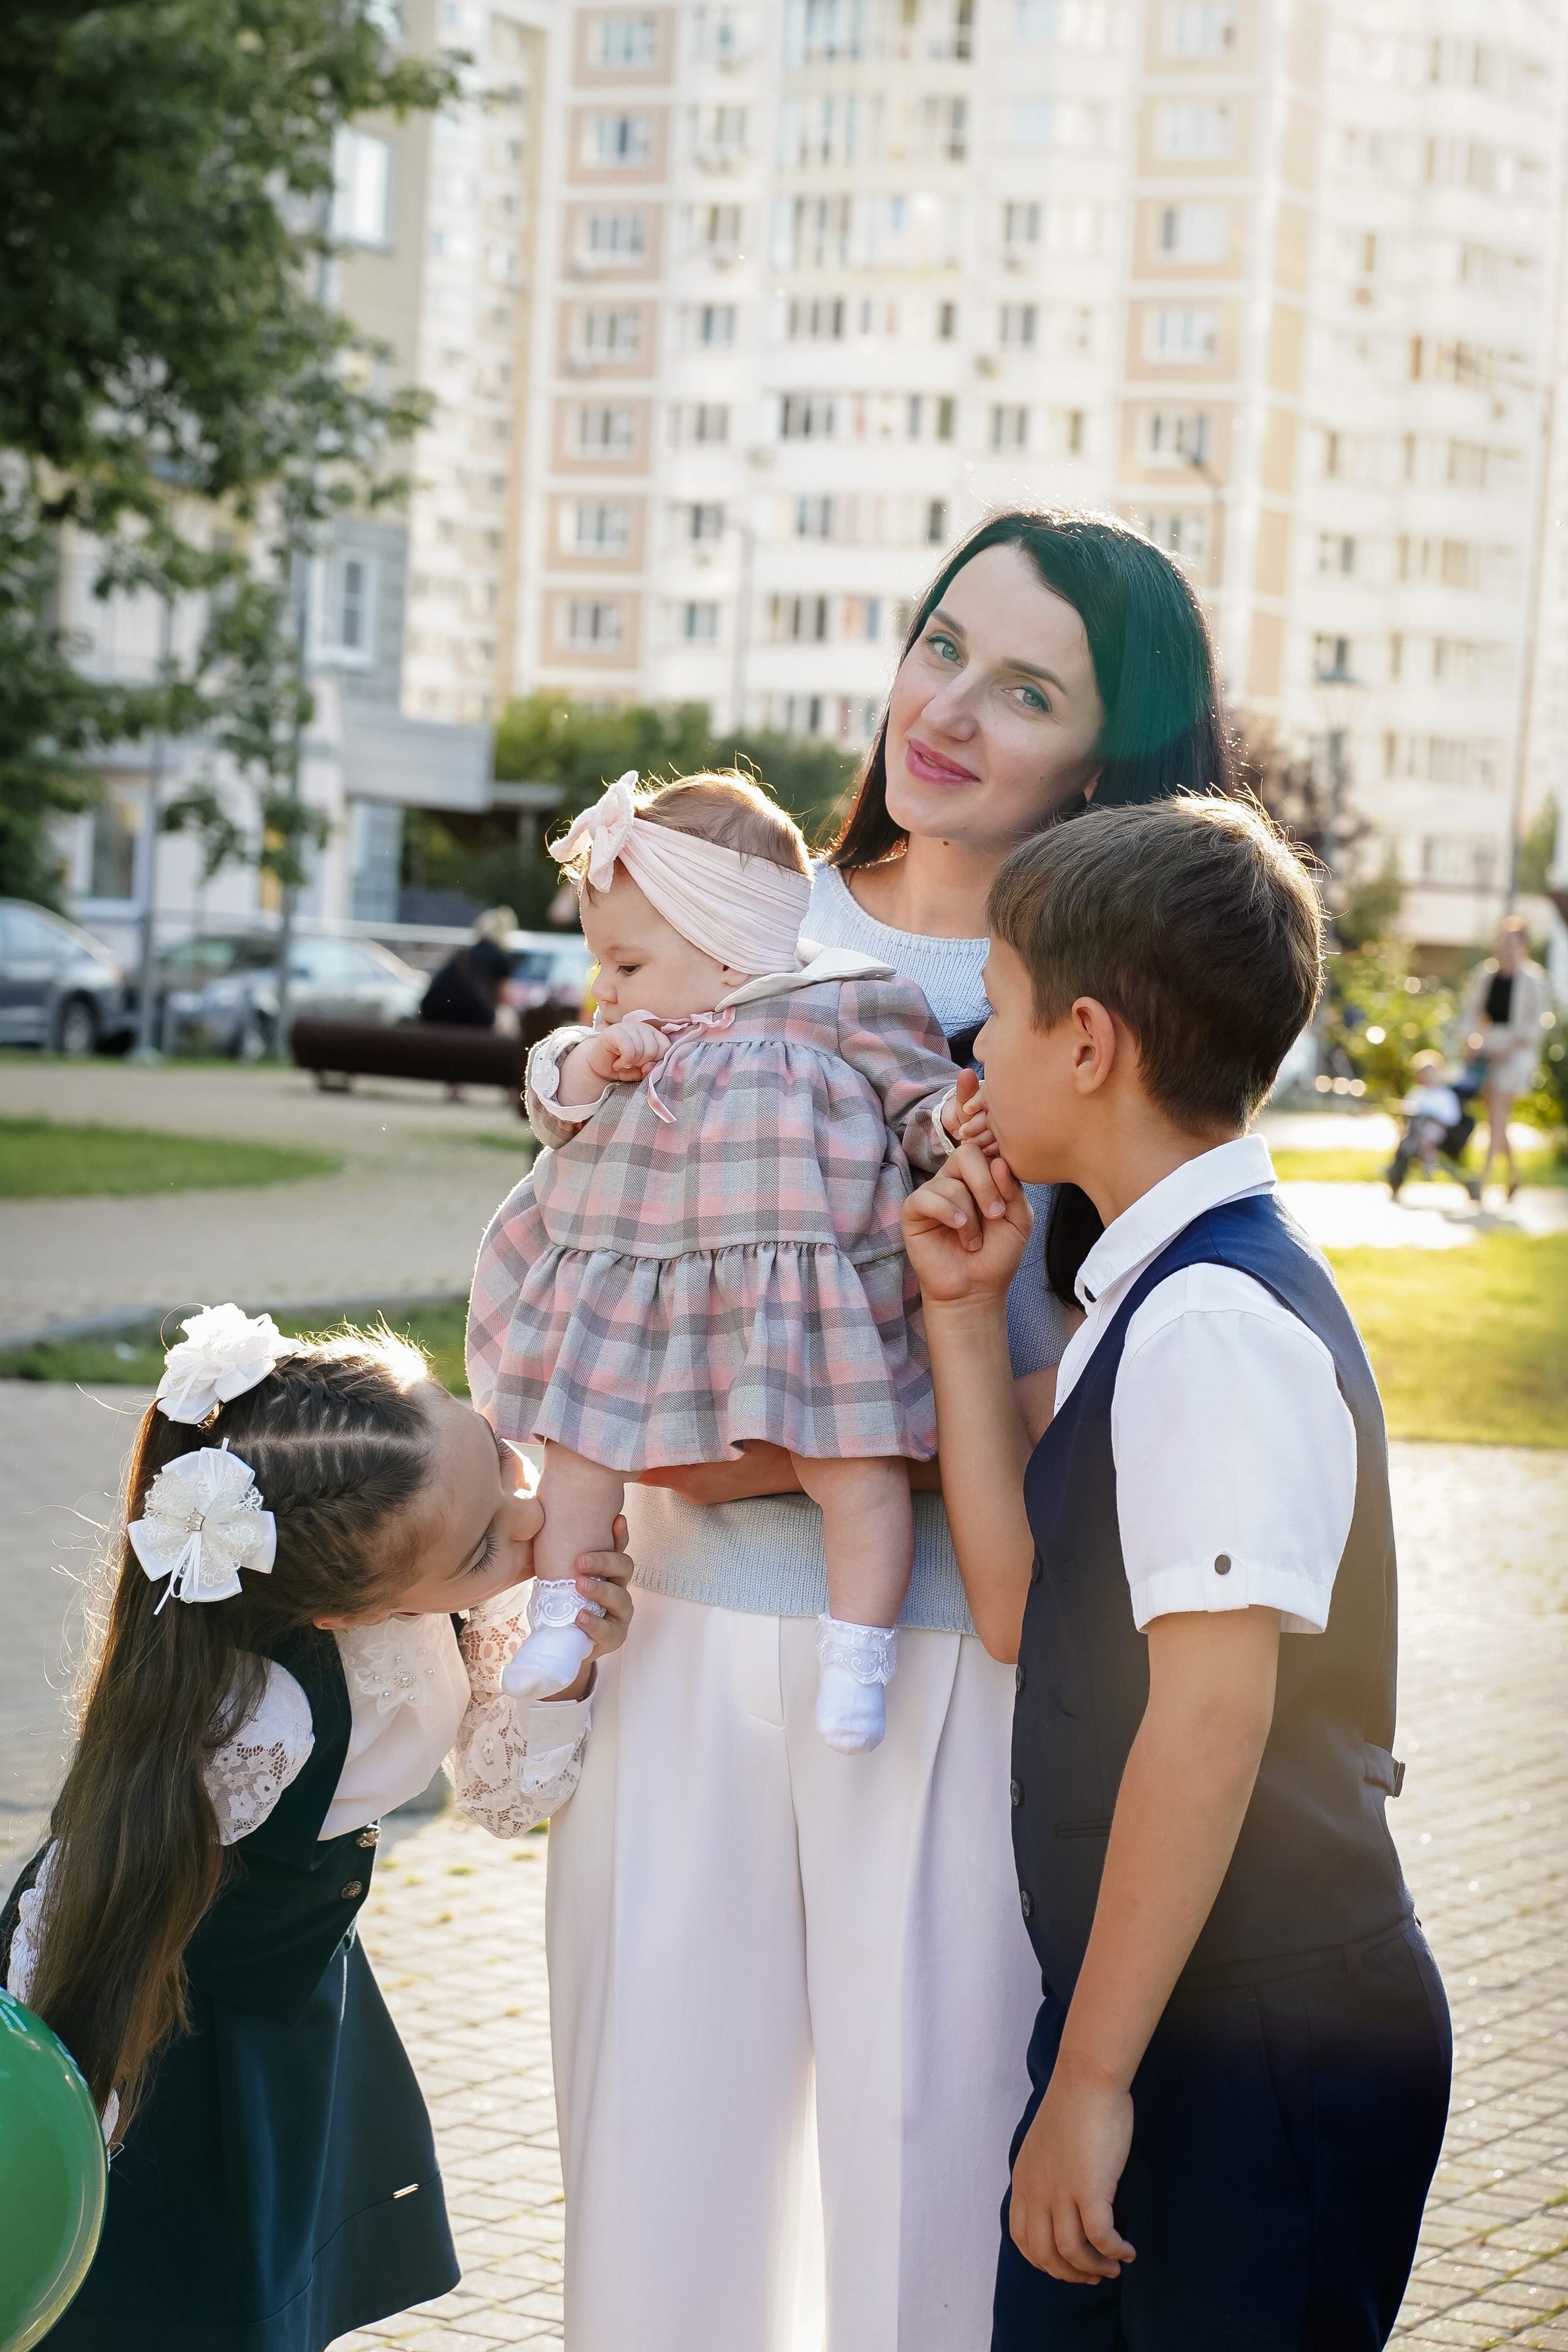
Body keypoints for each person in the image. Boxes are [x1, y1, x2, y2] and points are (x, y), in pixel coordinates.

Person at [506, 507, 1237, 2352]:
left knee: (921, 2215)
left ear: (1109, 748)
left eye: (1024, 688)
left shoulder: (1112, 992)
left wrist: (773, 1425)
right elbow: (591, 1200)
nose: (949, 708)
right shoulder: (744, 904)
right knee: (654, 2209)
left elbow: (1120, 1365)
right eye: (937, 644)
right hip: (672, 1649)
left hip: (949, 1670)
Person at [902, 797, 1451, 2350]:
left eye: (993, 1013)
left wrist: (1087, 2081)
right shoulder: (1148, 1293)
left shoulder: (1209, 1321)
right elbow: (1023, 1611)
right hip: (1170, 2026)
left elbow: (1204, 1726)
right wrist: (961, 1316)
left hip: (1256, 2035)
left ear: (1084, 1041)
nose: (972, 1062)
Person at [2, 1303, 633, 2352]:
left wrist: (559, 1668)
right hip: (169, 2039)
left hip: (298, 1998)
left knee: (283, 2290)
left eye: (503, 1462)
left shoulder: (413, 1541)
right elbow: (88, 1897)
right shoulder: (256, 1724)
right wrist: (56, 2116)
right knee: (158, 2303)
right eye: (485, 1545)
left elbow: (496, 1791)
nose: (528, 1518)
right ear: (349, 1613)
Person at [472, 770, 965, 1753]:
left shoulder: (841, 1002)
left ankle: (858, 1653)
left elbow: (921, 1100)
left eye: (627, 963)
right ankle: (562, 1619)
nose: (605, 989)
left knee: (853, 1462)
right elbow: (552, 1098)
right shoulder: (628, 1040)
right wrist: (592, 1059)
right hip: (639, 1294)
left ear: (730, 950)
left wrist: (956, 1123)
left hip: (801, 1299)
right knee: (578, 1451)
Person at [1460, 916, 1550, 1198]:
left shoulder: (1533, 979)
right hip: (1488, 1050)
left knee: (1498, 1111)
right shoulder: (1486, 974)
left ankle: (1482, 1180)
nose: (1507, 947)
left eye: (1513, 942)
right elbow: (1472, 1013)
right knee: (1495, 1119)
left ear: (1523, 945)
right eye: (1504, 941)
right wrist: (1472, 1042)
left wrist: (1509, 1048)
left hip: (1516, 1052)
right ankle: (1514, 1176)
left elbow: (1538, 1022)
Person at [1385, 1049, 1476, 1198]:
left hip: (1440, 1132)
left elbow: (1452, 1118)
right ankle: (1398, 1172)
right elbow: (1407, 1109)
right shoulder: (1417, 1093)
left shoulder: (1445, 1095)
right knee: (1408, 1139)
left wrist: (1433, 1118)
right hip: (1414, 1131)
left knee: (1427, 1136)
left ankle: (1428, 1163)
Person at [420, 904, 518, 1029]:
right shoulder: (498, 958)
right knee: (507, 1014)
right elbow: (505, 999)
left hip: (432, 1014)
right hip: (472, 1017)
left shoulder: (465, 954)